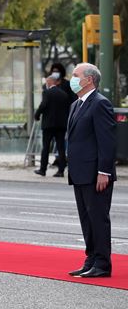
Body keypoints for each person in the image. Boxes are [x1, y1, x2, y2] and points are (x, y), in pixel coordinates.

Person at [66, 63, 116, 278]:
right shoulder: (76, 104)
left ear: (89, 79)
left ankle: (103, 263)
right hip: (79, 173)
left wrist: (104, 171)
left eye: (76, 75)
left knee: (98, 218)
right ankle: (91, 259)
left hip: (95, 174)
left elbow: (107, 141)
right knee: (86, 219)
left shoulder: (100, 104)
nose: (72, 78)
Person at [34, 75, 70, 177]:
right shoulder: (64, 94)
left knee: (46, 147)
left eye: (47, 82)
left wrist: (37, 115)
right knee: (61, 147)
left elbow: (43, 105)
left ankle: (42, 169)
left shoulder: (47, 93)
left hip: (48, 125)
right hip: (61, 125)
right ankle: (61, 170)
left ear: (50, 82)